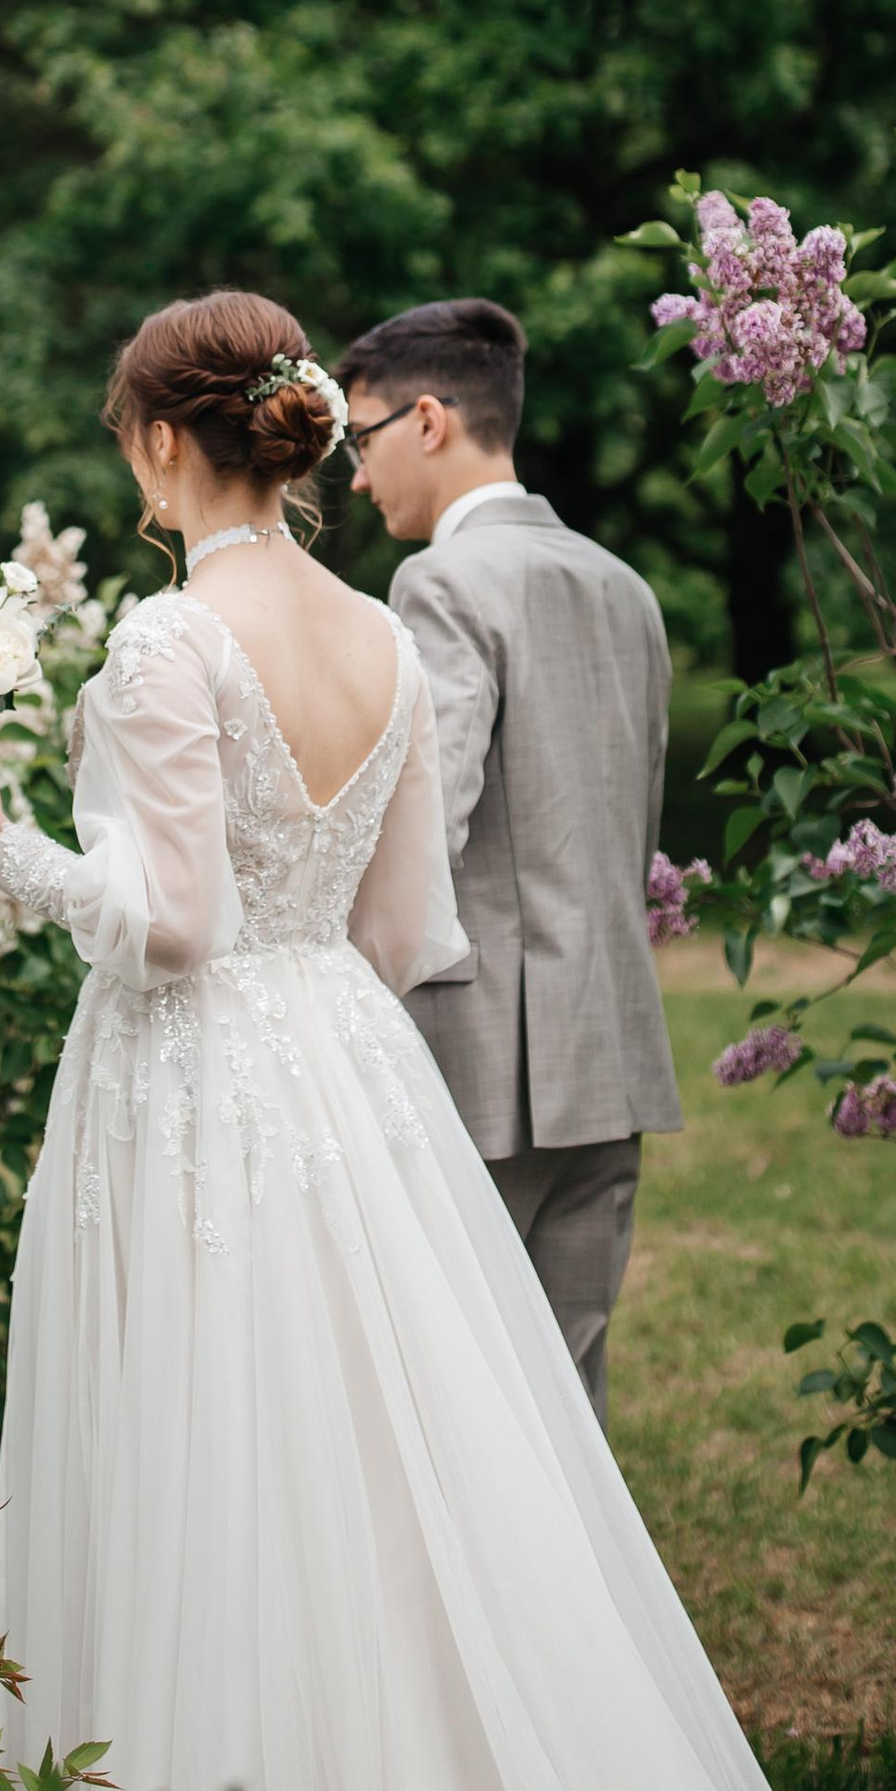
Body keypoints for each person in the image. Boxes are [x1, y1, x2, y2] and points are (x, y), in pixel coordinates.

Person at [0, 290, 896, 1791]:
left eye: (125, 441)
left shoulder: (172, 637)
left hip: (194, 1092)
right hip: (350, 1080)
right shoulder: (380, 629)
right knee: (390, 1497)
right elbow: (407, 930)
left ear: (167, 440)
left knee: (211, 1476)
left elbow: (169, 929)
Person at [334, 298, 678, 1420]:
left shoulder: (441, 584)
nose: (355, 477)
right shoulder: (623, 587)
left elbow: (423, 832)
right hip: (610, 1046)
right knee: (566, 1402)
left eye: (361, 438)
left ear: (428, 420)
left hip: (483, 1064)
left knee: (456, 1408)